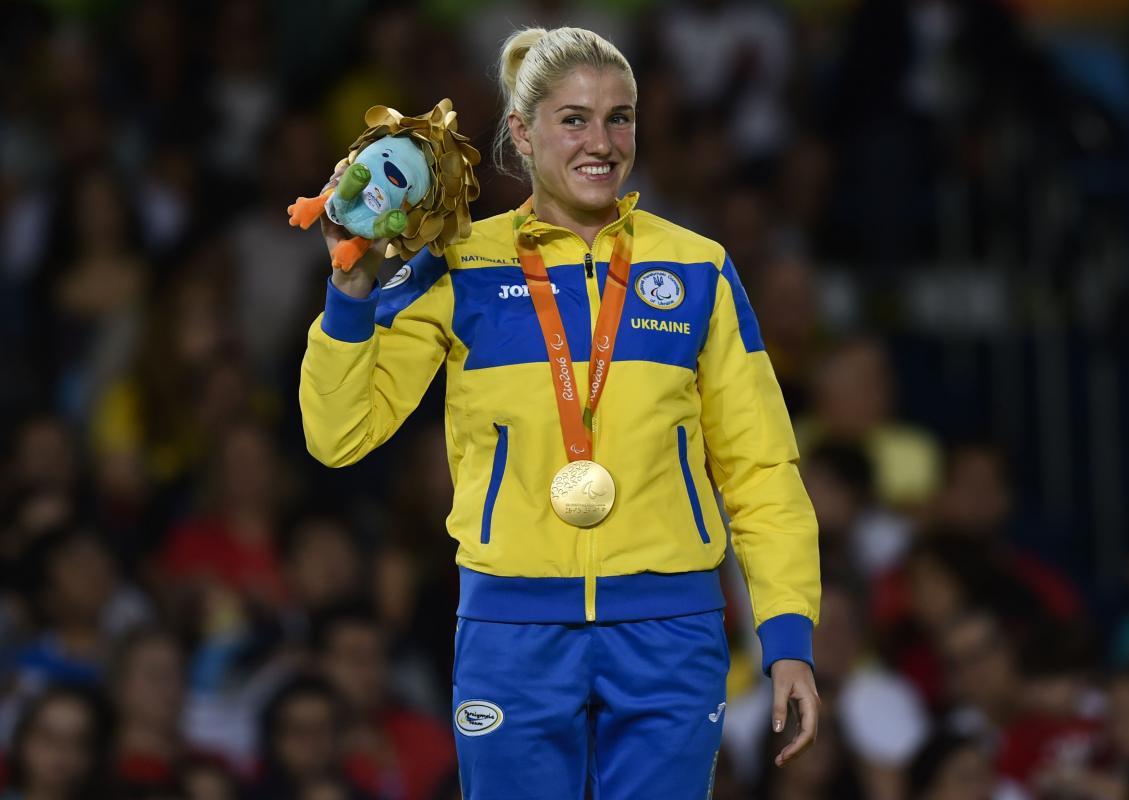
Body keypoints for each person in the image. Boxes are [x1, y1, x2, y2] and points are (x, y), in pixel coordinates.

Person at [298, 26, 821, 799]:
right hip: (512, 630)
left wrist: (787, 638)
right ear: (521, 130)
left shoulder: (697, 266)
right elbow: (339, 437)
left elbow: (761, 468)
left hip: (670, 630)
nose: (602, 141)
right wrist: (351, 293)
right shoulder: (459, 263)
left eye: (621, 117)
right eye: (574, 118)